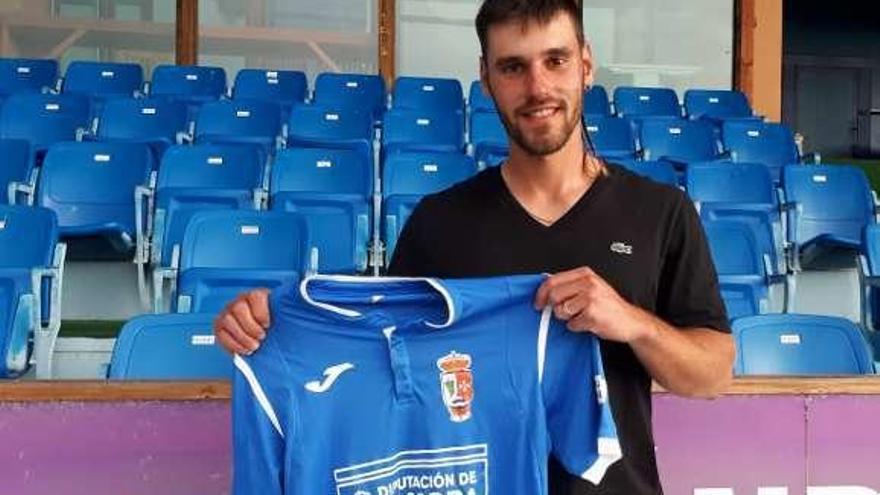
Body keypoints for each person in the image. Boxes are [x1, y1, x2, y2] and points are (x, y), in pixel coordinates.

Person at [214, 0, 736, 493]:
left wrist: (631, 321)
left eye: (555, 60)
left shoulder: (661, 212)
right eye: (513, 67)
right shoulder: (440, 223)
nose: (537, 87)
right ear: (486, 79)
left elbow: (713, 375)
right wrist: (269, 321)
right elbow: (378, 359)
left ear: (586, 65)